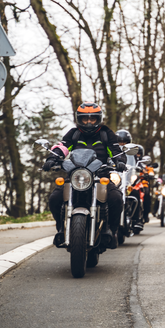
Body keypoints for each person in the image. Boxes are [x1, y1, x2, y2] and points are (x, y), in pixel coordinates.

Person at [43, 102, 123, 249]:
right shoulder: (74, 134)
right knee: (55, 198)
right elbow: (62, 147)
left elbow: (115, 150)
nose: (88, 122)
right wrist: (52, 158)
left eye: (92, 119)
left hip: (100, 176)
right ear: (79, 119)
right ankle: (61, 229)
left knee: (116, 198)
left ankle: (112, 231)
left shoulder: (106, 134)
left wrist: (120, 160)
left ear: (98, 119)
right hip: (76, 175)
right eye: (85, 119)